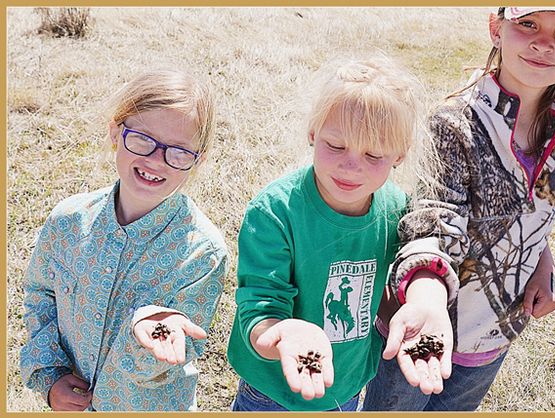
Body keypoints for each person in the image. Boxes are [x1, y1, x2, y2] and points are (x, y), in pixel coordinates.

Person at [362, 7, 555, 411]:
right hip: (423, 325)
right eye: (527, 24)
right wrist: (428, 302)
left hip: (494, 333)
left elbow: (542, 209)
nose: (544, 43)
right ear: (496, 28)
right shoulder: (454, 124)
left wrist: (542, 260)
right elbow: (434, 222)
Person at [19, 69, 229, 411]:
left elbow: (173, 357)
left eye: (178, 152)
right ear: (116, 132)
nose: (155, 160)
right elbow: (40, 299)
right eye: (143, 139)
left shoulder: (201, 254)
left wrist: (143, 333)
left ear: (197, 160)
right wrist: (50, 377)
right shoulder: (67, 222)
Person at [226, 54, 422, 411]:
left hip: (344, 385)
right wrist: (284, 335)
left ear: (400, 155)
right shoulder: (275, 211)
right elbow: (258, 308)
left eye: (374, 154)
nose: (351, 164)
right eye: (336, 145)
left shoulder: (398, 210)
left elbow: (389, 291)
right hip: (272, 390)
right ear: (313, 133)